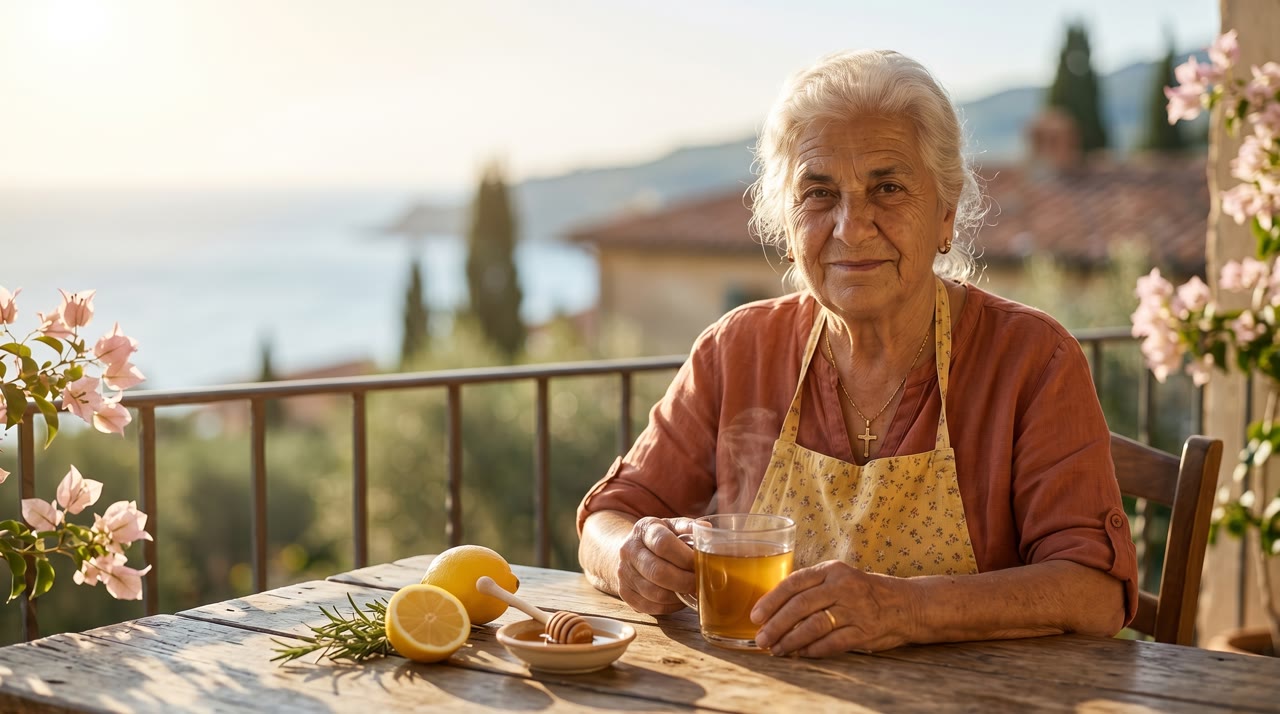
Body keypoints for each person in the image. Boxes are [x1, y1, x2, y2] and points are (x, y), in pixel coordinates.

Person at [575, 48, 1138, 658]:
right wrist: (635, 556)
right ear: (786, 228)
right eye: (818, 193)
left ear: (945, 215)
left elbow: (1094, 592)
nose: (850, 226)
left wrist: (904, 609)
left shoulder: (1032, 359)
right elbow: (608, 519)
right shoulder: (737, 350)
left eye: (888, 187)